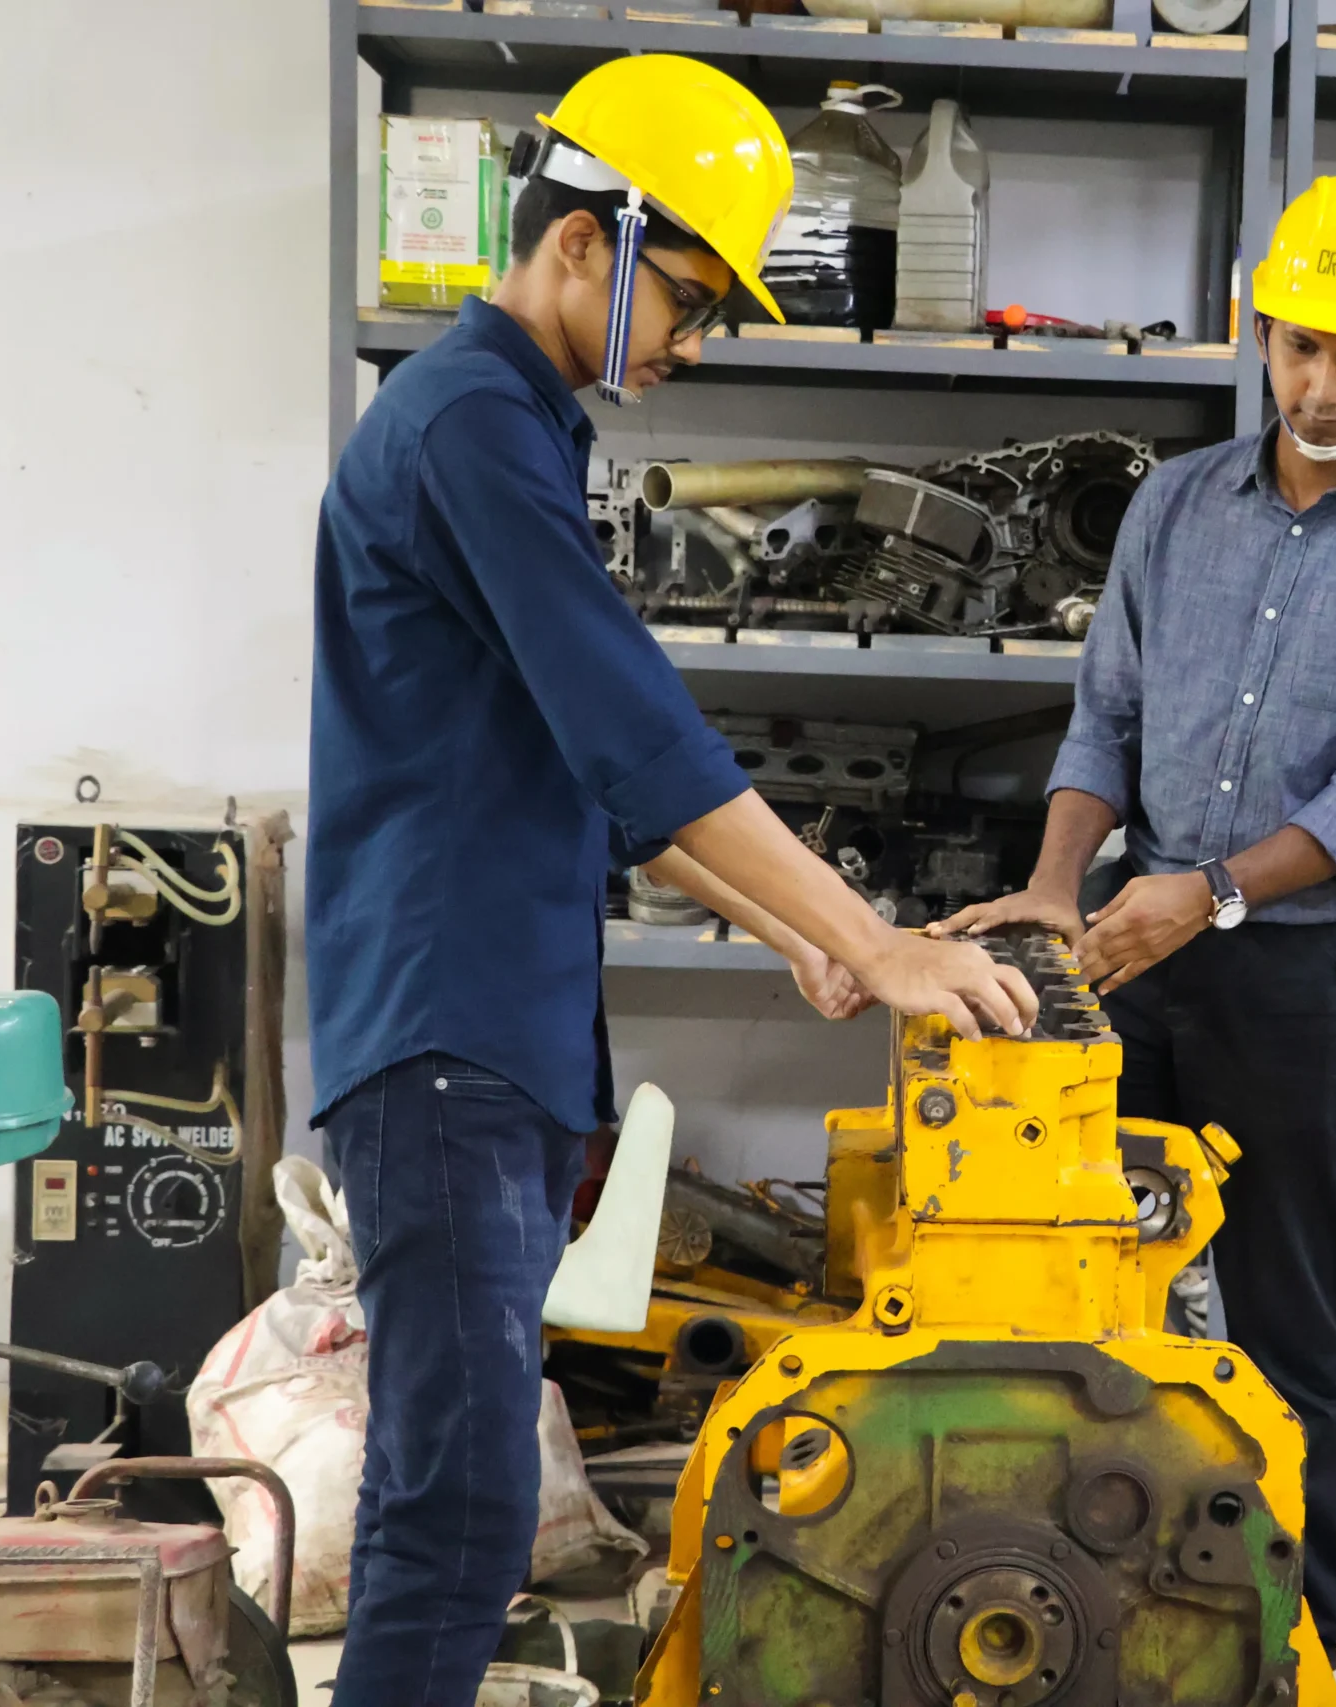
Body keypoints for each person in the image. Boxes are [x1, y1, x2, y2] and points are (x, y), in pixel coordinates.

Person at [307, 57, 1036, 1705]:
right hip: (444, 1031)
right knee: (461, 1508)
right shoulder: (471, 423)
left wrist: (802, 933)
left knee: (457, 1492)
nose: (693, 339)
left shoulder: (509, 423)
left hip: (481, 1030)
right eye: (688, 297)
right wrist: (877, 944)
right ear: (583, 239)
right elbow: (633, 730)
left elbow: (593, 773)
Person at [933, 172, 1336, 1660]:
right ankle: (1092, 1621)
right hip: (1138, 945)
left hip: (1315, 977)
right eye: (1300, 347)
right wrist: (1056, 885)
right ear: (1260, 332)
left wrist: (1217, 891)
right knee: (1080, 1287)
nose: (1321, 388)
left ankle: (1293, 1644)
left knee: (1285, 1316)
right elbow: (1107, 715)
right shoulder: (1177, 503)